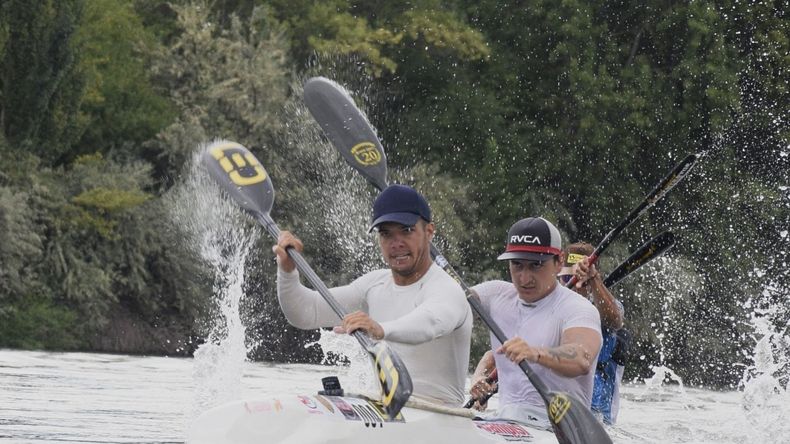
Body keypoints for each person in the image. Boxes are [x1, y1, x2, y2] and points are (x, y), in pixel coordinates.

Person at [273, 184, 472, 406]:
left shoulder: (446, 289)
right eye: (386, 234)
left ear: (429, 232)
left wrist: (380, 329)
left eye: (406, 231)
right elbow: (304, 312)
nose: (396, 244)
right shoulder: (373, 285)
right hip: (388, 413)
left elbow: (430, 323)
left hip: (443, 418)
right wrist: (288, 270)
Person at [468, 217, 602, 429]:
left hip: (558, 427)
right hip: (504, 420)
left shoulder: (578, 309)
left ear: (559, 262)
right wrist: (479, 376)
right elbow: (445, 310)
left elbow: (581, 358)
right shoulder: (495, 294)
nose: (524, 278)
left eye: (536, 265)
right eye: (517, 265)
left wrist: (535, 353)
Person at [558, 242, 627, 425]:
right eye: (568, 278)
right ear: (558, 277)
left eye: (583, 280)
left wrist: (593, 278)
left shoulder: (609, 307)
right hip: (558, 408)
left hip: (597, 416)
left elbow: (615, 321)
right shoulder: (548, 305)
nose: (576, 285)